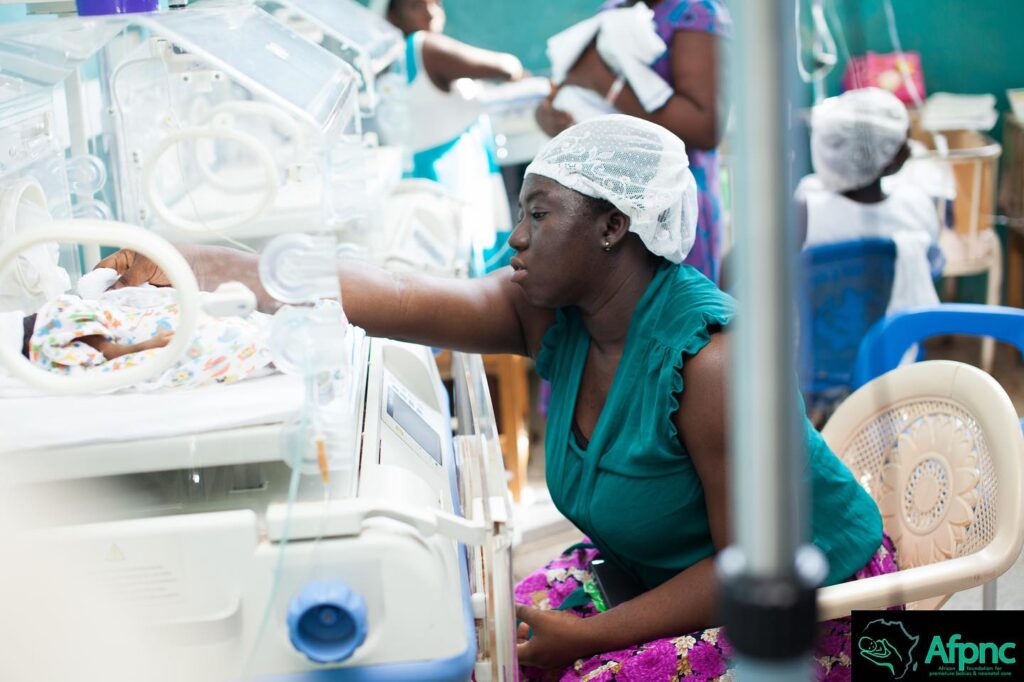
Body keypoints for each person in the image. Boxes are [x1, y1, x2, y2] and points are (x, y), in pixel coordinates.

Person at [97, 115, 895, 681]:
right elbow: (401, 294)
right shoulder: (552, 313)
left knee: (575, 670)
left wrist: (586, 637)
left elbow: (746, 568)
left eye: (539, 214)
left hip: (814, 607)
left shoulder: (714, 364)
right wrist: (192, 266)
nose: (516, 237)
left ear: (615, 226)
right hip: (661, 568)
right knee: (485, 632)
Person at [535, 0, 731, 285]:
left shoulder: (695, 13)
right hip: (612, 205)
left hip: (673, 203)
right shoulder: (613, 10)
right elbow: (568, 83)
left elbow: (705, 127)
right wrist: (547, 115)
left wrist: (606, 83)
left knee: (674, 314)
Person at [370, 0, 525, 273]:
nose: (431, 13)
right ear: (393, 15)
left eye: (435, 3)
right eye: (416, 6)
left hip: (420, 178)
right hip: (455, 178)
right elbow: (506, 66)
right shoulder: (424, 46)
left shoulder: (388, 60)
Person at [797, 87, 941, 313]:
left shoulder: (805, 212)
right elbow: (933, 265)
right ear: (894, 160)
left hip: (815, 346)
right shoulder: (917, 206)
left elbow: (735, 270)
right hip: (894, 344)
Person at [1, 275, 273, 390]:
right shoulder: (248, 331)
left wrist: (133, 348)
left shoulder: (245, 344)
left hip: (58, 337)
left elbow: (133, 363)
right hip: (59, 330)